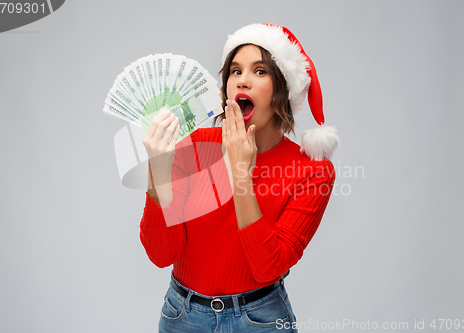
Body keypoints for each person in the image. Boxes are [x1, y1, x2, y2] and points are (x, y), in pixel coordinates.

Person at [140, 23, 339, 333]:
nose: (243, 80)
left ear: (283, 89)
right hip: (183, 317)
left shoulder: (312, 171)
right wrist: (158, 172)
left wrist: (240, 175)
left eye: (260, 72)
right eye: (235, 71)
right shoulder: (194, 146)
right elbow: (160, 253)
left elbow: (268, 266)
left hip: (259, 321)